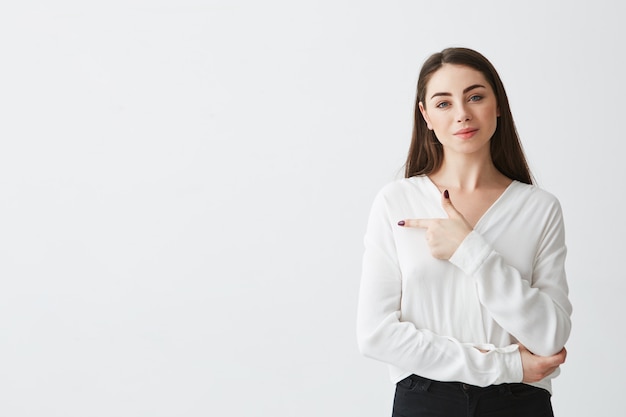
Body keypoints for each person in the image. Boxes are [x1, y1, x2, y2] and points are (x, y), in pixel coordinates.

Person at [356, 47, 572, 417]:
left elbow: (550, 337)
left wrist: (470, 250)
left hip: (520, 404)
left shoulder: (539, 208)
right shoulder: (396, 202)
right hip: (426, 400)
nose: (462, 115)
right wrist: (506, 365)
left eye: (475, 96)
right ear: (425, 115)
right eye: (443, 103)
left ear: (497, 104)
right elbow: (375, 334)